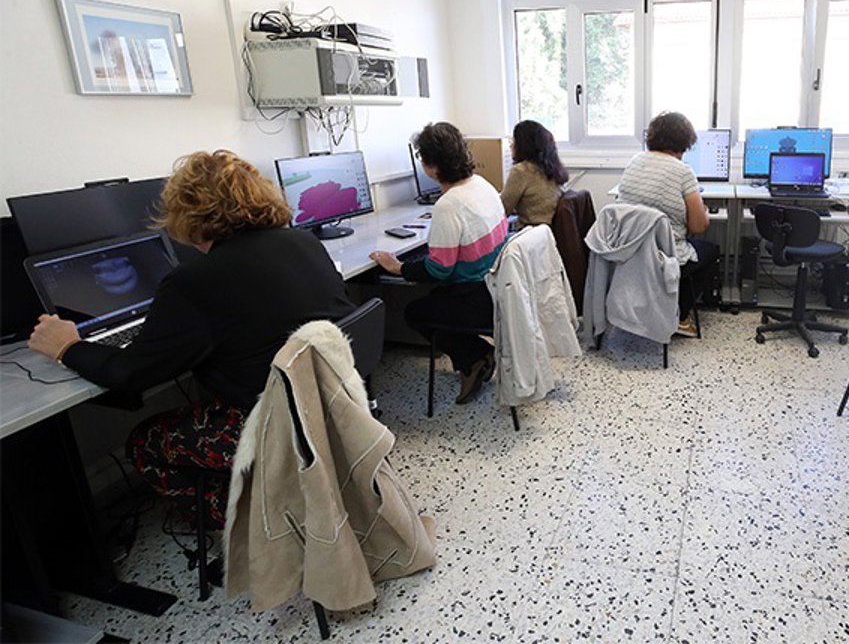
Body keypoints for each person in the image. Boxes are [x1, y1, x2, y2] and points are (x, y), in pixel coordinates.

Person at [28, 150, 356, 524]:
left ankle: (260, 521)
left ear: (188, 215)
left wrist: (67, 347)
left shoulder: (195, 281)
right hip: (334, 405)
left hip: (271, 425)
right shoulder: (304, 242)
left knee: (144, 442)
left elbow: (131, 373)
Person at [370, 122, 507, 404]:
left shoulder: (449, 204)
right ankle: (477, 355)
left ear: (431, 167)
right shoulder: (482, 185)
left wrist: (399, 267)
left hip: (476, 298)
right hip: (498, 288)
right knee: (432, 296)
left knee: (415, 313)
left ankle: (474, 357)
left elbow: (439, 268)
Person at [617, 111, 720, 337]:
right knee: (712, 251)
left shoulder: (635, 161)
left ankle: (658, 307)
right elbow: (698, 227)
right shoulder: (682, 171)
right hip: (664, 256)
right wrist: (703, 211)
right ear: (684, 143)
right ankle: (680, 316)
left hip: (630, 252)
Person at [501, 120, 567, 227]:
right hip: (546, 231)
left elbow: (503, 210)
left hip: (530, 231)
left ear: (522, 145)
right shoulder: (552, 167)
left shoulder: (521, 171)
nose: (511, 145)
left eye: (514, 141)